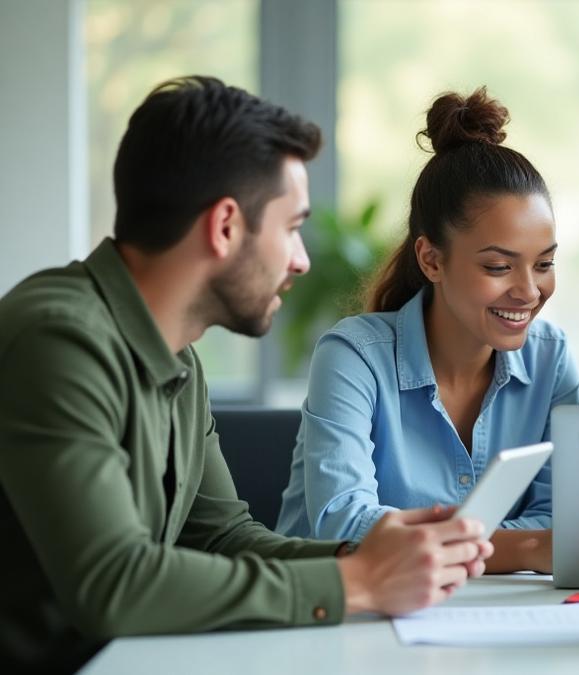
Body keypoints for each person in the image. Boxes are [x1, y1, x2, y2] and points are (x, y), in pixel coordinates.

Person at [0, 76, 492, 673]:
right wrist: (358, 582)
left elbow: (222, 537)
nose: (301, 259)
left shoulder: (176, 356)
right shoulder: (58, 340)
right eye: (291, 228)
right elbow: (114, 583)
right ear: (226, 226)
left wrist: (366, 554)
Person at [275, 88, 579, 574]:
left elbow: (562, 518)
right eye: (499, 266)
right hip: (337, 606)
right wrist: (522, 547)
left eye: (544, 264)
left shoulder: (552, 360)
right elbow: (344, 523)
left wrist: (518, 542)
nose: (529, 291)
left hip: (488, 607)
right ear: (432, 259)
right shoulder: (353, 356)